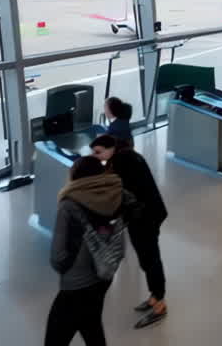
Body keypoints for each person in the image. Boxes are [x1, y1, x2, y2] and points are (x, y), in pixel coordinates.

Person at [45, 156, 131, 346]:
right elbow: (119, 240)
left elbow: (57, 256)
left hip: (75, 285)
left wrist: (65, 268)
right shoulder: (115, 196)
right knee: (91, 325)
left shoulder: (69, 204)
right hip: (103, 278)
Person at [90, 135, 170, 328]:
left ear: (111, 148)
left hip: (144, 217)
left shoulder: (122, 162)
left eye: (99, 152)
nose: (96, 156)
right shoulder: (125, 156)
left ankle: (160, 303)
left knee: (150, 258)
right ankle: (154, 295)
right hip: (145, 215)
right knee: (146, 258)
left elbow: (122, 195)